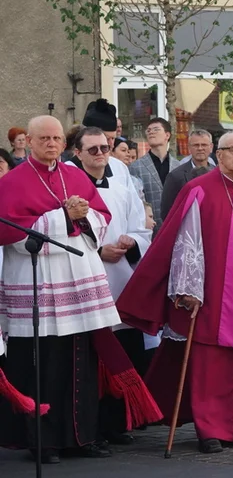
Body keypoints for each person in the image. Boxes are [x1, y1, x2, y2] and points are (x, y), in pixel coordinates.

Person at [0, 116, 158, 463]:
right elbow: (10, 232)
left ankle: (81, 436)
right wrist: (63, 216)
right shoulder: (13, 182)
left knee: (81, 363)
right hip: (39, 284)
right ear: (28, 140)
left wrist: (84, 217)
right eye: (44, 138)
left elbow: (100, 217)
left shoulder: (74, 176)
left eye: (57, 138)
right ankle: (46, 442)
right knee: (44, 366)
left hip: (78, 282)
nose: (52, 144)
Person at [118, 131, 233, 454]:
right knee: (210, 366)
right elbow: (186, 243)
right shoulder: (200, 189)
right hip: (212, 293)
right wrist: (189, 289)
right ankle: (210, 430)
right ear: (218, 155)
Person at [71, 127, 154, 444]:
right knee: (92, 355)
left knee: (124, 350)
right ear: (77, 153)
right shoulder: (69, 184)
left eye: (104, 148)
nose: (101, 154)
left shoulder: (120, 180)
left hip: (121, 277)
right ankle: (92, 426)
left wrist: (132, 241)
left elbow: (140, 226)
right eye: (92, 149)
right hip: (86, 276)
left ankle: (119, 422)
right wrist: (98, 250)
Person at [128, 116, 180, 228]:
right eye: (148, 130)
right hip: (148, 228)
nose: (151, 132)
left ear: (167, 135)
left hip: (175, 226)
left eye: (156, 129)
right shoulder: (135, 167)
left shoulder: (178, 167)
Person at [160, 129, 214, 220]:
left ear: (211, 147)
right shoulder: (175, 176)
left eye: (204, 145)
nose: (200, 148)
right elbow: (167, 212)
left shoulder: (219, 174)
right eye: (196, 145)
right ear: (189, 148)